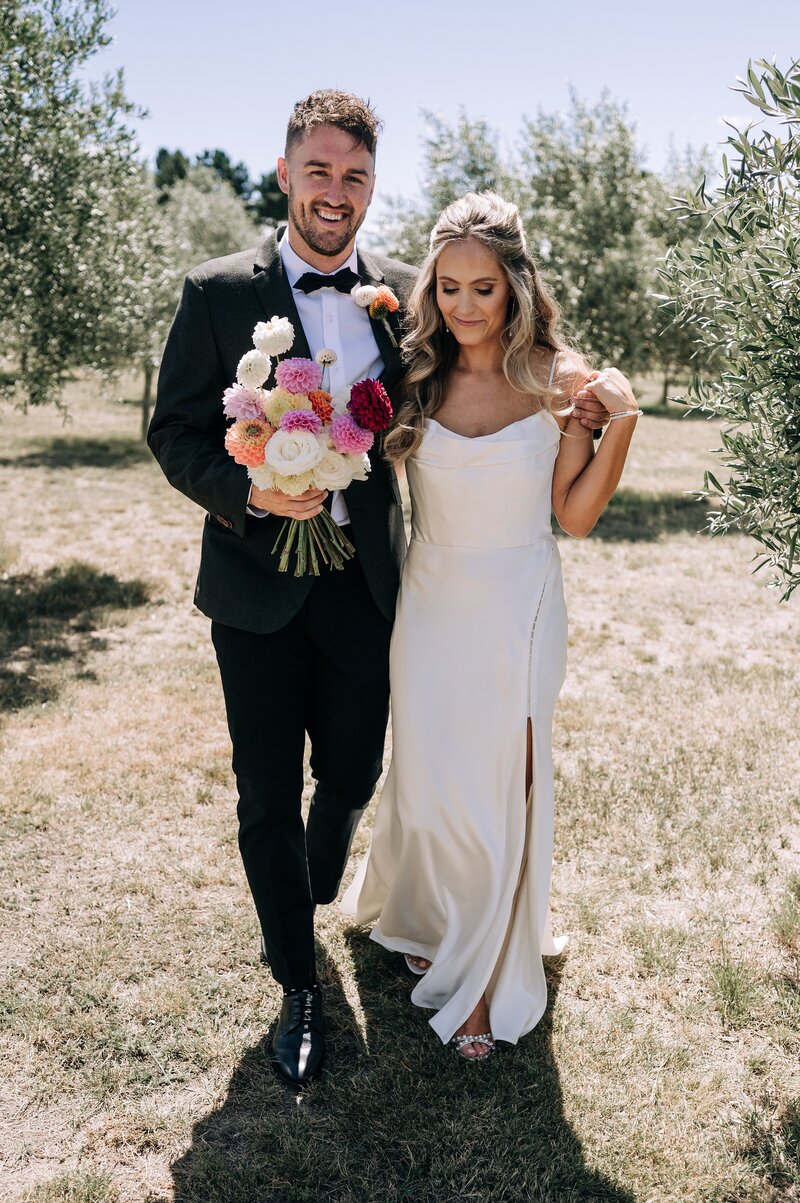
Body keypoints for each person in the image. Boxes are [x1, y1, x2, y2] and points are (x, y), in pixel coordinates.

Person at [148, 90, 419, 1084]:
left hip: (366, 582)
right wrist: (251, 490)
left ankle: (313, 869)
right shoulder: (217, 293)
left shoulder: (404, 288)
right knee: (264, 791)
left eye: (354, 176)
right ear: (284, 174)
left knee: (348, 775)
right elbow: (174, 431)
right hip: (255, 587)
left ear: (369, 187)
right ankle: (297, 985)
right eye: (319, 171)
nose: (335, 192)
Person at [341, 191, 640, 1060]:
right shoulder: (411, 372)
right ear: (432, 284)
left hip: (521, 598)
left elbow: (575, 516)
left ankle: (481, 977)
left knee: (503, 778)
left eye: (484, 289)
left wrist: (622, 421)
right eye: (450, 287)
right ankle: (435, 918)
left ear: (514, 286)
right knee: (435, 777)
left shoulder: (560, 378)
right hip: (430, 598)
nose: (466, 307)